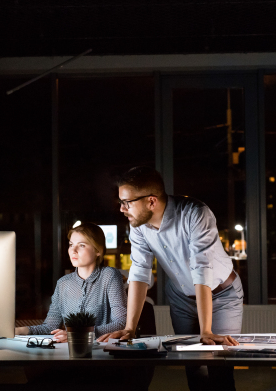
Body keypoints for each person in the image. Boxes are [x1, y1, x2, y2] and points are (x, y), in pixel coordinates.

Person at [98, 166, 244, 391]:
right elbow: (139, 272)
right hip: (181, 297)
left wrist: (205, 331)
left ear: (151, 201)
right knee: (193, 366)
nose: (121, 209)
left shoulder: (195, 213)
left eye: (127, 202)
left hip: (222, 294)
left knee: (219, 365)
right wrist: (129, 328)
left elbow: (202, 270)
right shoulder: (138, 226)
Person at [15, 222, 127, 341]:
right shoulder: (63, 283)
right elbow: (50, 326)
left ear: (98, 250)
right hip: (68, 352)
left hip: (101, 351)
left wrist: (78, 334)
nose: (73, 250)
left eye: (82, 245)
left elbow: (120, 322)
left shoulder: (109, 276)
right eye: (71, 244)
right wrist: (22, 330)